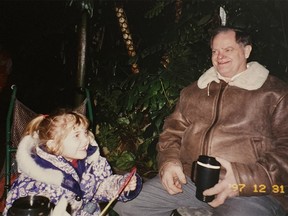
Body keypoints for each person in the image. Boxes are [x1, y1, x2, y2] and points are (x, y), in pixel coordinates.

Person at [113, 26, 288, 216]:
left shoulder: (274, 93)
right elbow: (171, 132)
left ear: (246, 50)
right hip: (190, 181)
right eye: (215, 51)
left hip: (253, 189)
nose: (220, 56)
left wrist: (243, 178)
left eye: (228, 49)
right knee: (129, 205)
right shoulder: (193, 91)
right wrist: (169, 162)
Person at [3, 109, 142, 216]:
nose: (86, 140)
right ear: (53, 145)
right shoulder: (35, 181)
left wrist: (121, 185)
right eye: (76, 136)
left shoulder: (89, 162)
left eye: (86, 132)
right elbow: (16, 210)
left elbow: (99, 186)